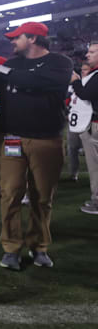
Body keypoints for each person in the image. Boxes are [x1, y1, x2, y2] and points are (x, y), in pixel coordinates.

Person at [0, 22, 72, 270]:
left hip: (47, 140)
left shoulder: (60, 63)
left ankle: (39, 245)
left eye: (16, 37)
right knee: (10, 194)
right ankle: (11, 248)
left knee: (42, 198)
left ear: (32, 38)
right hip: (11, 139)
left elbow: (36, 82)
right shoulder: (10, 65)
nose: (12, 42)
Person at [68, 42, 98, 215]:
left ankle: (97, 202)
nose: (88, 55)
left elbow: (86, 94)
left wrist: (76, 82)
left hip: (95, 124)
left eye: (93, 52)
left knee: (95, 167)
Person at [66, 62, 91, 182]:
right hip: (74, 124)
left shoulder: (92, 85)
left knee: (92, 152)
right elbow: (67, 101)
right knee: (72, 149)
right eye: (82, 70)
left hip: (88, 124)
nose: (83, 72)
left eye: (86, 70)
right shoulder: (73, 86)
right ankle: (73, 173)